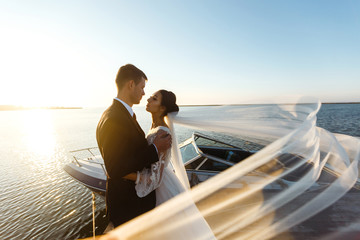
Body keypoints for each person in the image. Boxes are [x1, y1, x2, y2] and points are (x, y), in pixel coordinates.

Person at [130, 89, 216, 239]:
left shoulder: (163, 133)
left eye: (154, 99)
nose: (148, 99)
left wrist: (132, 176)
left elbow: (156, 178)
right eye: (150, 97)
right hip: (163, 181)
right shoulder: (156, 128)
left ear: (162, 108)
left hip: (161, 188)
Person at [96, 64, 172, 228]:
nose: (144, 93)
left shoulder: (119, 114)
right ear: (131, 85)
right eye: (142, 87)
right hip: (128, 207)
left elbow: (128, 153)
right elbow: (115, 167)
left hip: (131, 204)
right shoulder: (114, 119)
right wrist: (155, 148)